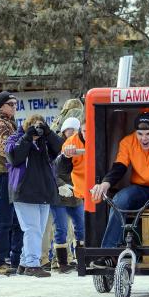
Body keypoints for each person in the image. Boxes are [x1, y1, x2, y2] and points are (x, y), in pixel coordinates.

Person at [90, 112, 149, 269]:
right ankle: (109, 254)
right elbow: (119, 167)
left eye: (148, 134)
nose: (144, 138)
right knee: (118, 200)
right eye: (140, 134)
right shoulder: (128, 142)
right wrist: (105, 183)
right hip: (140, 188)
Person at [5, 114, 63, 277]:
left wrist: (48, 132)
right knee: (32, 229)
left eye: (40, 126)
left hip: (44, 191)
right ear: (26, 126)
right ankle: (32, 264)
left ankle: (24, 263)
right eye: (34, 125)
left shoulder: (45, 142)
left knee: (38, 229)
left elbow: (59, 147)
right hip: (24, 192)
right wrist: (28, 137)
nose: (37, 129)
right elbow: (14, 158)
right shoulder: (15, 138)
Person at [0, 91, 23, 276]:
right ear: (1, 106)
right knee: (3, 220)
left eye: (16, 104)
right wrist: (23, 145)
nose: (14, 107)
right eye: (11, 104)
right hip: (2, 174)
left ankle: (16, 260)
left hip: (10, 173)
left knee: (17, 220)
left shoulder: (9, 121)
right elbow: (5, 150)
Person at [54, 117, 87, 274]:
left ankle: (81, 259)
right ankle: (62, 262)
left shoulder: (81, 146)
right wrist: (60, 184)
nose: (72, 132)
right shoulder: (58, 147)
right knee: (61, 229)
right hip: (60, 195)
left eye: (75, 129)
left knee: (81, 227)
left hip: (76, 193)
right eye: (69, 129)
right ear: (64, 131)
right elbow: (54, 169)